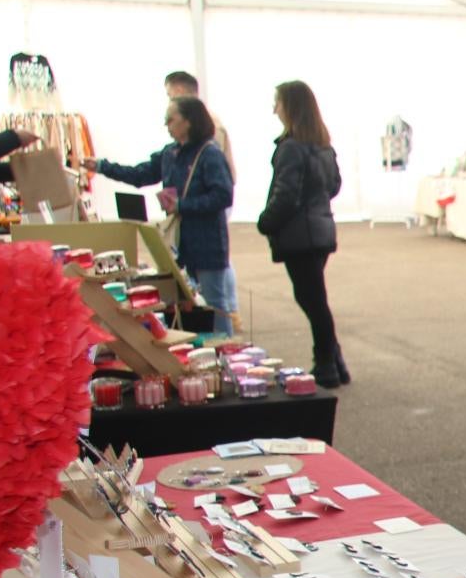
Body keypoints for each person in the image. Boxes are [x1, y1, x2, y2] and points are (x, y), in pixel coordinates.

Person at [83, 96, 236, 326]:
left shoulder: (210, 154)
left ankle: (224, 352)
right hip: (178, 245)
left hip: (207, 243)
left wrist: (181, 206)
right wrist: (103, 167)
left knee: (214, 303)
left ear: (188, 122)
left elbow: (223, 195)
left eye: (171, 119)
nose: (167, 125)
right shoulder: (170, 153)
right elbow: (140, 174)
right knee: (186, 303)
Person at [257, 81, 346, 386]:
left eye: (277, 103)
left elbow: (285, 195)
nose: (274, 109)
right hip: (319, 231)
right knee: (314, 299)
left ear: (290, 107)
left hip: (300, 236)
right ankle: (333, 360)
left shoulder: (291, 148)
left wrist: (265, 222)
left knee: (312, 301)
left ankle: (327, 364)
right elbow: (333, 185)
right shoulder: (322, 145)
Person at [164, 71, 234, 181]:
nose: (169, 102)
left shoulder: (211, 125)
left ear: (179, 92)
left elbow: (214, 174)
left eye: (169, 95)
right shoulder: (186, 128)